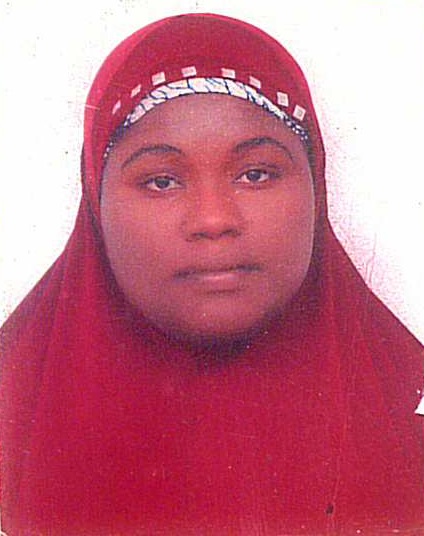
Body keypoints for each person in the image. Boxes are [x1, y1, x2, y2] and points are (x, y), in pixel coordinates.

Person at [0, 13, 423, 536]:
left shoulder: (411, 416)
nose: (214, 220)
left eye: (256, 174)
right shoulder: (10, 421)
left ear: (316, 188)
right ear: (96, 201)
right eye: (161, 181)